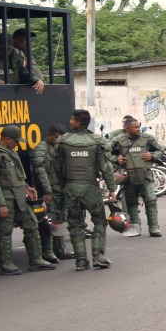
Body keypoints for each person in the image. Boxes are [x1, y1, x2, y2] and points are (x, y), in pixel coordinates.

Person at [53, 108, 120, 270]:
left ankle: (81, 261)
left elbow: (57, 167)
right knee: (99, 220)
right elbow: (106, 168)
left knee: (75, 223)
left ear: (78, 122)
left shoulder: (63, 141)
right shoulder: (97, 141)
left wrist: (62, 187)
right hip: (90, 188)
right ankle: (99, 256)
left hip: (70, 187)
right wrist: (112, 189)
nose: (69, 122)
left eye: (71, 119)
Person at [0, 124, 54, 274]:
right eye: (15, 141)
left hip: (19, 196)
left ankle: (36, 260)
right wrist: (1, 204)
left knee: (32, 224)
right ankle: (6, 264)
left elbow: (15, 176)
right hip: (6, 198)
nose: (17, 144)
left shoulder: (9, 151)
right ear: (7, 139)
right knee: (5, 230)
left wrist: (26, 187)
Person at [112, 118, 163, 238]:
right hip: (129, 177)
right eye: (135, 127)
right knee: (131, 203)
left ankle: (154, 228)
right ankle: (135, 227)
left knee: (150, 200)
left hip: (146, 176)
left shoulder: (147, 139)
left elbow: (160, 149)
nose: (138, 129)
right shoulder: (118, 140)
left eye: (139, 127)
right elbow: (106, 152)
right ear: (127, 128)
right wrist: (116, 159)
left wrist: (152, 156)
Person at [27, 123, 62, 265]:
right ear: (49, 135)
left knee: (58, 220)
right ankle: (48, 251)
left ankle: (59, 249)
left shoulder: (58, 147)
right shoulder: (41, 149)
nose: (57, 140)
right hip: (47, 191)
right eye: (55, 137)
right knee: (48, 221)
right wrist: (47, 191)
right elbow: (40, 172)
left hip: (59, 189)